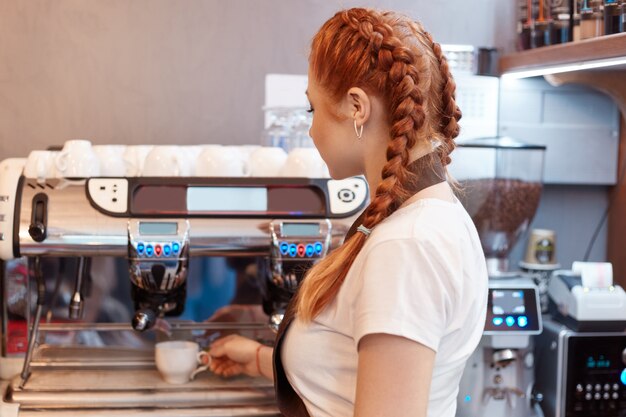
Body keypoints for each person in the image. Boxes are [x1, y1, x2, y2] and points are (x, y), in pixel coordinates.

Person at [207, 8, 488, 417]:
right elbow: (353, 374)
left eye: (312, 110)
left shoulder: (407, 246)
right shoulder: (424, 218)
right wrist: (254, 357)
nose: (310, 129)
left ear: (357, 107)